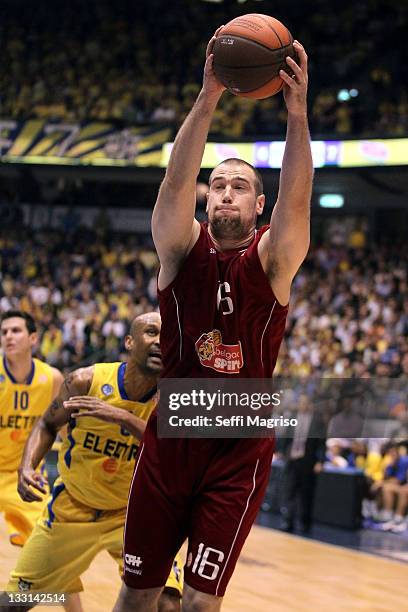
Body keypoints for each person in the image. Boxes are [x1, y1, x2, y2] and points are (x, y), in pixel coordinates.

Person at [114, 28, 312, 612]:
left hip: (237, 446)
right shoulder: (179, 248)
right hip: (172, 440)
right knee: (137, 593)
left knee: (201, 602)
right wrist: (207, 96)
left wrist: (296, 115)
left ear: (258, 206)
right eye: (218, 185)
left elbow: (297, 202)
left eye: (241, 186)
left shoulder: (273, 261)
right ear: (207, 201)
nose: (226, 192)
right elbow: (175, 181)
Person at [1, 313, 183, 612]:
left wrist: (120, 416)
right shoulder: (85, 381)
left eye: (168, 336)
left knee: (168, 604)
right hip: (72, 509)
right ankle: (58, 594)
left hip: (133, 515)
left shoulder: (174, 398)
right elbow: (47, 425)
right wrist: (27, 467)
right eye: (152, 332)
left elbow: (174, 452)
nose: (161, 342)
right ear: (129, 342)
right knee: (13, 603)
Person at [0, 310, 63, 547]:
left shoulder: (52, 378)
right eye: (4, 332)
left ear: (33, 339)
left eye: (16, 331)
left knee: (46, 542)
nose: (8, 336)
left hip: (26, 473)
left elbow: (63, 428)